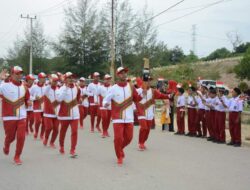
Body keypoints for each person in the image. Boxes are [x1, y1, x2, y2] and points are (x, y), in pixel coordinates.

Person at [103, 67, 144, 165]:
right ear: (118, 75)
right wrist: (105, 103)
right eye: (121, 73)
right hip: (117, 118)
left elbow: (137, 99)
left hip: (129, 118)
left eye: (125, 72)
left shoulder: (131, 87)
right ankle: (119, 156)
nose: (124, 74)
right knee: (118, 138)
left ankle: (119, 148)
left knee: (129, 138)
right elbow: (106, 99)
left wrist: (143, 93)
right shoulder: (113, 88)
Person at [0, 66, 31, 165]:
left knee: (21, 137)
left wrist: (28, 102)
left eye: (20, 73)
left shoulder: (25, 87)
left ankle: (17, 156)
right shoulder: (5, 86)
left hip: (22, 116)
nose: (19, 75)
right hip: (9, 116)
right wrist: (1, 79)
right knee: (11, 137)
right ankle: (7, 144)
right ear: (12, 74)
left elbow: (27, 98)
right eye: (17, 73)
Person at [136, 76, 170, 150]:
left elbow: (161, 95)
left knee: (147, 130)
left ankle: (143, 142)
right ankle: (140, 143)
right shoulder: (138, 90)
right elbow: (133, 99)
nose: (148, 82)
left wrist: (169, 96)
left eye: (149, 81)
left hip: (150, 113)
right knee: (143, 127)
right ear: (143, 82)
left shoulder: (153, 91)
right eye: (147, 81)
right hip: (141, 111)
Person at [56, 72, 81, 157]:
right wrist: (65, 88)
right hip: (64, 114)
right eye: (69, 77)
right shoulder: (61, 89)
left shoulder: (77, 88)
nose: (71, 79)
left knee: (74, 131)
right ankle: (61, 146)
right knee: (63, 131)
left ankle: (73, 149)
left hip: (75, 114)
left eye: (72, 77)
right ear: (65, 79)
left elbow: (78, 99)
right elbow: (59, 99)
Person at [43, 74, 60, 148]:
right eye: (54, 81)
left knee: (56, 129)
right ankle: (46, 138)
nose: (55, 82)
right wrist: (50, 83)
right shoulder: (47, 89)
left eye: (56, 81)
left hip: (56, 113)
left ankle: (52, 142)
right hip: (48, 113)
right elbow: (45, 91)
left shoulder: (58, 89)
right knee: (49, 127)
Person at [30, 72, 47, 140]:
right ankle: (36, 132)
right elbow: (29, 96)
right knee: (38, 121)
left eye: (44, 78)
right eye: (43, 78)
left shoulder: (46, 87)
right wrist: (34, 98)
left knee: (44, 122)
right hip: (36, 106)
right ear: (39, 78)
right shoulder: (34, 87)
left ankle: (42, 134)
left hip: (45, 106)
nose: (44, 79)